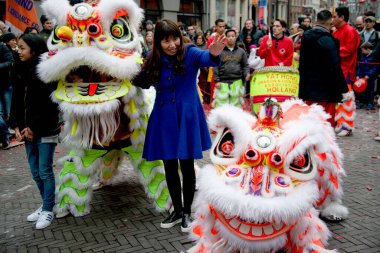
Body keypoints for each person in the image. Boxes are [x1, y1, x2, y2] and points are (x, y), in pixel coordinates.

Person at [132, 19, 226, 232]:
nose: (172, 44)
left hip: (186, 115)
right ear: (158, 42)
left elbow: (206, 58)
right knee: (169, 166)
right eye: (166, 41)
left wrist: (213, 54)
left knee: (186, 165)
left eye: (175, 38)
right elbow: (142, 81)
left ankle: (186, 212)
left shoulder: (190, 52)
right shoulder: (153, 58)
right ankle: (176, 210)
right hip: (164, 117)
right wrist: (125, 68)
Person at [10, 33, 60, 229]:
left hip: (46, 128)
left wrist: (34, 128)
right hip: (26, 130)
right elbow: (17, 99)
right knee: (35, 171)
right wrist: (16, 125)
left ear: (34, 49)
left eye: (22, 48)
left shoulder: (46, 71)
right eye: (18, 47)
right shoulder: (19, 68)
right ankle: (48, 204)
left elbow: (49, 106)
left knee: (45, 170)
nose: (18, 51)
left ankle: (48, 210)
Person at [299, 10, 348, 128]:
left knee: (310, 122)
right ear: (330, 22)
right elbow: (335, 66)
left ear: (316, 21)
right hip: (325, 91)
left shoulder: (306, 36)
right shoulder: (328, 40)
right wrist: (343, 89)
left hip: (308, 88)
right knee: (325, 124)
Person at [332, 7, 361, 136]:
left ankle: (347, 125)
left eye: (335, 16)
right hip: (338, 69)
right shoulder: (336, 31)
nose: (333, 19)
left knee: (346, 99)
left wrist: (332, 52)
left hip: (346, 69)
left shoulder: (350, 31)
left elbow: (348, 49)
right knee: (338, 98)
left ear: (342, 17)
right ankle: (340, 123)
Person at [213, 29, 250, 108]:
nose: (231, 38)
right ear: (225, 37)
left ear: (236, 37)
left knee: (236, 106)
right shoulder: (220, 51)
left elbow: (245, 66)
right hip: (222, 82)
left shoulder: (241, 51)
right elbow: (215, 66)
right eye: (229, 36)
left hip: (237, 81)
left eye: (233, 36)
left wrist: (247, 74)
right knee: (221, 106)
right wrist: (217, 81)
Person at [356, 42, 379, 110]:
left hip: (370, 77)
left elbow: (375, 66)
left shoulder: (375, 55)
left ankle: (370, 103)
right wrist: (358, 74)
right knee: (361, 89)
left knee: (370, 90)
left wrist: (369, 74)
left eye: (363, 50)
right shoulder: (362, 55)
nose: (362, 51)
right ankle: (361, 102)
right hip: (362, 76)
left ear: (368, 49)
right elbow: (359, 66)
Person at [0, 39, 14, 149]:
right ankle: (5, 138)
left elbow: (10, 62)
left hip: (6, 85)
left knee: (7, 114)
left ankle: (6, 136)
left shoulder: (2, 46)